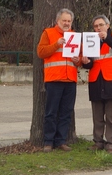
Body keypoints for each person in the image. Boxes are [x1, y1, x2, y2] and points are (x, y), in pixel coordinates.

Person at [81, 15, 112, 154]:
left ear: (107, 26)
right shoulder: (91, 41)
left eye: (101, 25)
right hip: (96, 81)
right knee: (97, 117)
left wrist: (107, 38)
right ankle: (98, 142)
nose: (98, 28)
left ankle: (111, 143)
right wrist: (85, 62)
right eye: (95, 26)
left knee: (111, 117)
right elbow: (90, 64)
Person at [37, 8, 81, 153]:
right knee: (51, 112)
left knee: (66, 112)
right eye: (64, 20)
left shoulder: (75, 36)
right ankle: (48, 142)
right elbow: (41, 52)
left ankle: (61, 141)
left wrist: (78, 60)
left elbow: (80, 58)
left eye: (69, 21)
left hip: (70, 79)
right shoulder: (48, 33)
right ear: (58, 21)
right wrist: (56, 44)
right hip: (54, 79)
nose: (67, 23)